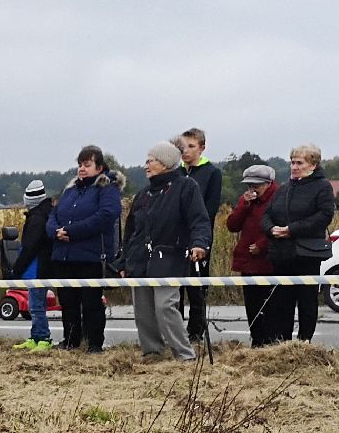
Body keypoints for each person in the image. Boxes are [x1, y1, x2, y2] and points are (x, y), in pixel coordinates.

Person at [123, 142, 210, 362]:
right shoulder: (143, 195)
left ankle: (185, 355)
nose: (146, 165)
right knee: (143, 312)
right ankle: (152, 353)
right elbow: (131, 230)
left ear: (166, 163)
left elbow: (199, 220)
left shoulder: (186, 187)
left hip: (170, 258)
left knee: (165, 307)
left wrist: (199, 244)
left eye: (151, 161)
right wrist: (123, 261)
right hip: (140, 260)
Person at [48, 146, 123, 353]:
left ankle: (94, 343)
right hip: (64, 256)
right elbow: (54, 215)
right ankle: (71, 340)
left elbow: (105, 216)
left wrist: (72, 231)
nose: (82, 168)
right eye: (80, 164)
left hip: (91, 257)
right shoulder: (70, 191)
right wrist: (55, 231)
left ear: (99, 167)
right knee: (67, 302)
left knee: (91, 303)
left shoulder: (107, 189)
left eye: (87, 165)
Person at [263, 145, 335, 344]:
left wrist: (292, 229)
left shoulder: (323, 187)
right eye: (292, 162)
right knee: (282, 302)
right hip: (281, 253)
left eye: (299, 163)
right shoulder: (284, 188)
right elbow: (267, 214)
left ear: (313, 165)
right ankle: (283, 343)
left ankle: (304, 342)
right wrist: (271, 229)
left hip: (307, 254)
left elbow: (324, 215)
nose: (294, 167)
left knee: (306, 301)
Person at [226, 163, 283, 346]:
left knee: (271, 306)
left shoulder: (278, 198)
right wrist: (244, 205)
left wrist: (262, 245)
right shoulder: (246, 200)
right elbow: (232, 225)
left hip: (269, 262)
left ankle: (271, 342)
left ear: (268, 183)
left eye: (256, 185)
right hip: (248, 262)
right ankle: (256, 341)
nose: (252, 189)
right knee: (252, 306)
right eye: (249, 185)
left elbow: (281, 226)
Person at [177, 129, 223, 342]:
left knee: (196, 286)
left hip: (198, 236)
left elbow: (209, 208)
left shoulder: (211, 173)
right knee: (175, 288)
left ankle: (196, 331)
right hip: (175, 238)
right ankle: (175, 331)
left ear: (201, 148)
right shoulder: (176, 172)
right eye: (182, 147)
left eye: (191, 146)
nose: (185, 151)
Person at [10, 179, 57, 351]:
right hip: (42, 266)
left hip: (37, 268)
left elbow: (29, 247)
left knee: (36, 305)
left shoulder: (36, 218)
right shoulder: (46, 214)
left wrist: (17, 269)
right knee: (35, 304)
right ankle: (35, 337)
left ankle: (43, 337)